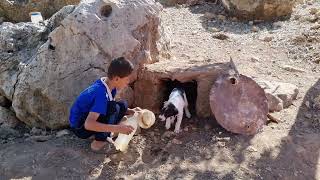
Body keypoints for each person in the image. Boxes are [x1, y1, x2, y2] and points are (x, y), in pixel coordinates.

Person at [69, 57, 139, 152]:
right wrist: (118, 128)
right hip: (80, 127)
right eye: (126, 79)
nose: (128, 82)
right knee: (112, 108)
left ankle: (106, 132)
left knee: (123, 104)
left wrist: (129, 111)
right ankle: (98, 143)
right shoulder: (100, 93)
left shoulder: (109, 85)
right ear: (117, 79)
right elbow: (88, 124)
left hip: (89, 118)